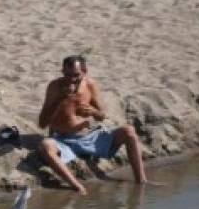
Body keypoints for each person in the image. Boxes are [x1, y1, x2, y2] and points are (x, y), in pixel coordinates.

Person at [38, 55, 148, 194]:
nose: (71, 79)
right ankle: (77, 187)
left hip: (91, 137)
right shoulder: (55, 86)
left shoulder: (90, 85)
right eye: (67, 75)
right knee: (46, 146)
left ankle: (141, 181)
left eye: (76, 75)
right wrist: (60, 98)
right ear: (62, 72)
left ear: (85, 71)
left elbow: (102, 116)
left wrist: (94, 112)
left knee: (129, 131)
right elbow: (42, 123)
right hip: (63, 140)